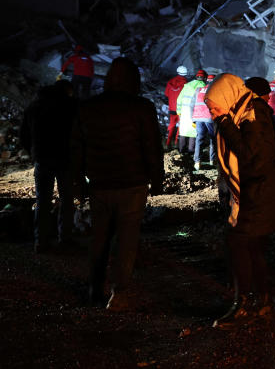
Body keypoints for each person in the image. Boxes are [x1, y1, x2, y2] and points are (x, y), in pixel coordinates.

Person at [71, 57, 164, 310]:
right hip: (132, 184)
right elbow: (152, 147)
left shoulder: (88, 107)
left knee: (99, 238)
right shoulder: (142, 107)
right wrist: (157, 180)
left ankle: (94, 289)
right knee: (126, 239)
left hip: (99, 183)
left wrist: (78, 183)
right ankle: (119, 293)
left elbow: (77, 149)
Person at [204, 74, 275, 327]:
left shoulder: (253, 113)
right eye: (211, 107)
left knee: (240, 245)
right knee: (251, 249)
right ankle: (261, 302)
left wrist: (224, 122)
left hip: (255, 195)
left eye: (214, 104)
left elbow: (251, 155)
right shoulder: (245, 111)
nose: (213, 110)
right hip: (254, 193)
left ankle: (245, 304)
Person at [20, 80, 78, 252]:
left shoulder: (34, 106)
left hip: (42, 159)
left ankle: (41, 241)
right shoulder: (70, 106)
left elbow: (23, 134)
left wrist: (33, 152)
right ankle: (65, 239)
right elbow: (79, 132)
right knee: (67, 200)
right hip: (64, 159)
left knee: (43, 201)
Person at [176, 69, 207, 158]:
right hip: (195, 112)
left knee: (183, 131)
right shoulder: (203, 87)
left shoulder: (187, 85)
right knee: (193, 132)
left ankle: (181, 151)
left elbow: (179, 99)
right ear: (204, 78)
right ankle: (191, 151)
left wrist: (179, 112)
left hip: (184, 112)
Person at [192, 72, 217, 171]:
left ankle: (197, 162)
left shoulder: (198, 89)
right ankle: (212, 160)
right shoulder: (215, 90)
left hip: (198, 117)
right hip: (209, 118)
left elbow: (192, 104)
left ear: (207, 81)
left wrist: (193, 119)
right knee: (213, 139)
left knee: (199, 139)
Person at [163, 65, 189, 149]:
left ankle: (167, 143)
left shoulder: (170, 81)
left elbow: (166, 94)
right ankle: (176, 143)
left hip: (172, 108)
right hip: (181, 109)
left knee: (171, 125)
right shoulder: (186, 83)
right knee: (180, 126)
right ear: (185, 73)